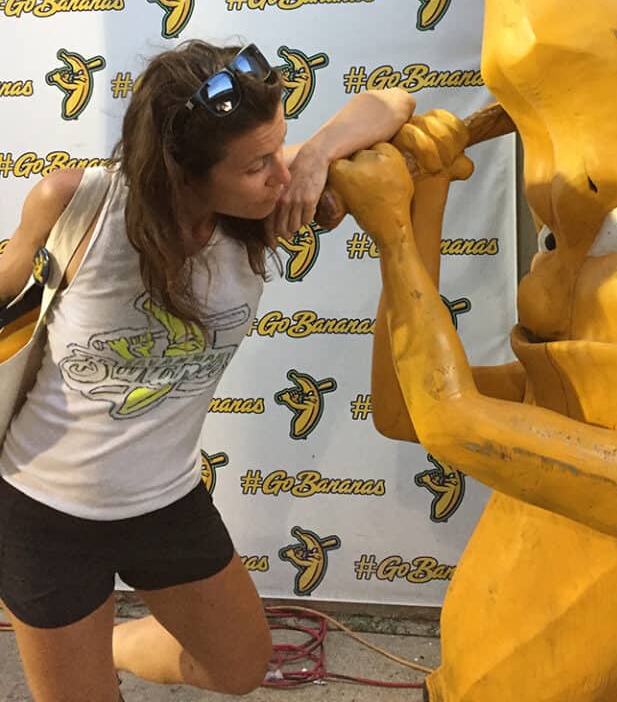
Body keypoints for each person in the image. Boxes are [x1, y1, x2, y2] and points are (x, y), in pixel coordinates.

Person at [0, 39, 414, 702]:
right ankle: (73, 651)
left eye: (279, 147)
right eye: (258, 165)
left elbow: (393, 103)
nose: (278, 175)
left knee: (239, 668)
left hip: (166, 501)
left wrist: (314, 158)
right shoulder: (79, 205)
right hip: (46, 510)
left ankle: (100, 643)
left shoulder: (262, 213)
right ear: (182, 172)